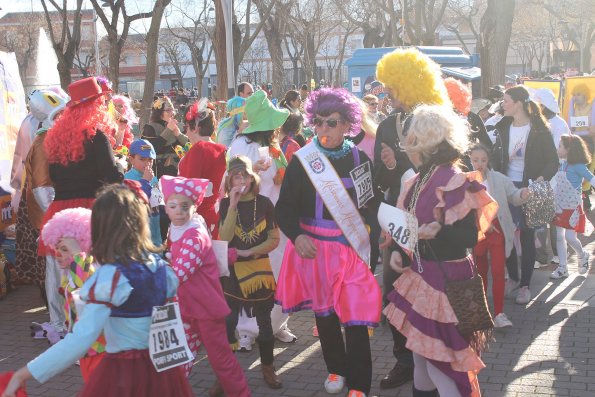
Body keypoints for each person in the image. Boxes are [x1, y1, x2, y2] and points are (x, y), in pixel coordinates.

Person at [1, 184, 194, 397]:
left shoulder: (110, 277)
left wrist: (24, 373)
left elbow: (80, 339)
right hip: (161, 375)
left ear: (103, 229)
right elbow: (170, 328)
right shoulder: (162, 270)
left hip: (122, 375)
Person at [384, 104, 497, 397]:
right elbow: (408, 227)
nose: (406, 146)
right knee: (422, 360)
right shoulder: (417, 179)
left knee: (442, 365)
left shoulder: (452, 179)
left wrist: (439, 230)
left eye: (410, 139)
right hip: (424, 276)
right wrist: (399, 250)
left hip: (447, 280)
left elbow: (469, 236)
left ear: (424, 142)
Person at [275, 88, 382, 397]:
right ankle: (336, 368)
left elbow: (369, 204)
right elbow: (285, 207)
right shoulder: (303, 160)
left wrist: (381, 230)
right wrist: (297, 235)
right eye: (318, 122)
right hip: (316, 251)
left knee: (356, 318)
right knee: (325, 315)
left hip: (350, 251)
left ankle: (360, 384)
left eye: (332, 123)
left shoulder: (360, 158)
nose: (323, 130)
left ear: (347, 123)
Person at [373, 47, 451, 390]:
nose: (387, 93)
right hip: (396, 219)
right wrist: (389, 168)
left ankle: (435, 360)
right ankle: (404, 361)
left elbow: (446, 167)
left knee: (428, 291)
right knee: (393, 292)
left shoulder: (435, 119)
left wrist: (403, 165)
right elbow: (379, 175)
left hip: (430, 221)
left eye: (391, 86)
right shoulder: (388, 125)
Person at [38, 77, 124, 343]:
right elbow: (111, 176)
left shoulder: (54, 138)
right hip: (89, 212)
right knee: (91, 275)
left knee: (64, 275)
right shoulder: (96, 136)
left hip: (60, 212)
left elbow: (53, 175)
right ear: (96, 105)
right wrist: (121, 165)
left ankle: (66, 328)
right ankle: (90, 334)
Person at [161, 175, 250, 396]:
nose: (179, 211)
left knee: (220, 359)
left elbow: (178, 273)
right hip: (186, 306)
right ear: (166, 208)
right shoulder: (175, 229)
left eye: (185, 205)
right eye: (173, 205)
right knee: (179, 358)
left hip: (206, 308)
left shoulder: (194, 235)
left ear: (194, 206)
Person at [228, 90, 297, 349]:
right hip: (250, 220)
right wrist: (252, 170)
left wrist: (282, 174)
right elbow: (232, 179)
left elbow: (282, 178)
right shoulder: (240, 145)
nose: (278, 127)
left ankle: (279, 323)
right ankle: (246, 330)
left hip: (277, 220)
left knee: (280, 272)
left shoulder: (273, 146)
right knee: (251, 275)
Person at [219, 155, 282, 389]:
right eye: (236, 176)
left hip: (259, 272)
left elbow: (274, 238)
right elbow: (224, 239)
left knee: (264, 323)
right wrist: (233, 205)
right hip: (234, 274)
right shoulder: (226, 205)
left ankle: (268, 368)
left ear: (251, 177)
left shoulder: (264, 203)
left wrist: (248, 252)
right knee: (227, 323)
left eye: (244, 175)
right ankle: (224, 376)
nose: (241, 180)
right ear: (229, 180)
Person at [490, 85, 558, 305]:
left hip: (529, 187)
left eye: (506, 100)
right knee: (506, 234)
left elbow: (553, 162)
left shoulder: (539, 128)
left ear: (518, 103)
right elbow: (493, 157)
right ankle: (513, 277)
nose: (503, 104)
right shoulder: (501, 126)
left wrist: (538, 182)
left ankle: (525, 286)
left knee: (527, 235)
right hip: (506, 188)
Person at [14, 89, 68, 312]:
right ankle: (58, 321)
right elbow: (42, 188)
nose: (63, 119)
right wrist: (58, 218)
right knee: (54, 269)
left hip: (54, 215)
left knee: (57, 267)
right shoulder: (43, 143)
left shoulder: (53, 140)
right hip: (50, 216)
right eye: (58, 115)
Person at [40, 207, 106, 381]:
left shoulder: (89, 270)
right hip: (84, 348)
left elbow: (84, 286)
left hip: (98, 349)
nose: (57, 254)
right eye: (56, 248)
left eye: (64, 249)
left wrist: (76, 253)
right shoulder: (69, 275)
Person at [469, 144, 530, 328]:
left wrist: (523, 194)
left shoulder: (499, 179)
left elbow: (513, 195)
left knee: (498, 272)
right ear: (470, 160)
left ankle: (499, 313)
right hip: (477, 232)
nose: (480, 164)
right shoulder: (464, 181)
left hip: (498, 229)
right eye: (475, 160)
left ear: (488, 160)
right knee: (479, 274)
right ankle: (482, 312)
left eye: (483, 160)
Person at [178, 99, 227, 238]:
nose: (186, 133)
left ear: (196, 128)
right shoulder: (224, 151)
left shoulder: (197, 151)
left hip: (195, 221)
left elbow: (185, 191)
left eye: (186, 128)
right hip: (219, 216)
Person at [550, 135, 595, 279]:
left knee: (570, 237)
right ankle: (563, 267)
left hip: (572, 208)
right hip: (559, 206)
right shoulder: (560, 165)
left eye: (560, 146)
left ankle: (582, 254)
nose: (558, 149)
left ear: (568, 149)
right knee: (559, 237)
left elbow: (591, 178)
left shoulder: (578, 166)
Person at [124, 139, 163, 247]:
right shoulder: (127, 178)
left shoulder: (153, 178)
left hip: (154, 227)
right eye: (142, 159)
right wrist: (145, 181)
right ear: (131, 159)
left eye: (150, 160)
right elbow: (132, 204)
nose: (147, 163)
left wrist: (154, 184)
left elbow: (158, 202)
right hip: (137, 231)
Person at [141, 96, 189, 177]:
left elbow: (189, 146)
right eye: (168, 110)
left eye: (172, 109)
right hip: (159, 172)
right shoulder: (150, 127)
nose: (172, 113)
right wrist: (168, 130)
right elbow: (150, 149)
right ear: (159, 113)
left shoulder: (176, 126)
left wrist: (178, 134)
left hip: (178, 171)